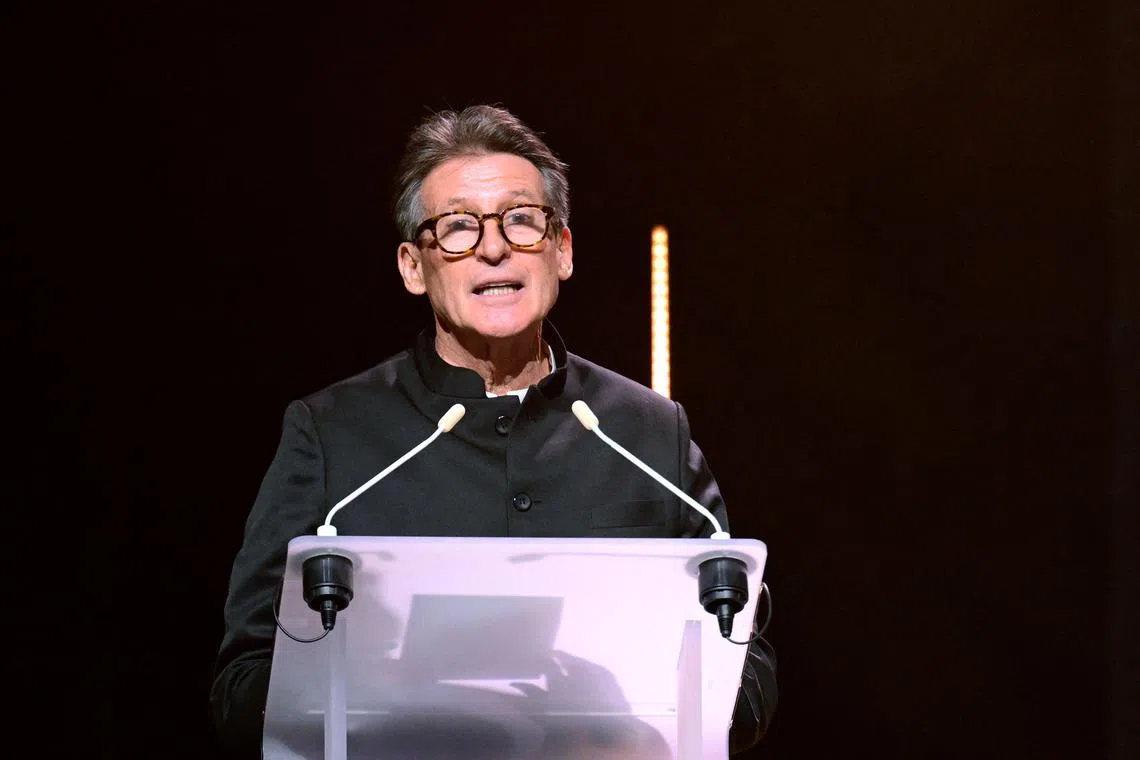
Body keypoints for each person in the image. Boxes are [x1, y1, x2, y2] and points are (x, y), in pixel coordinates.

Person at [210, 104, 777, 757]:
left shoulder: (647, 432)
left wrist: (640, 707)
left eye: (520, 219)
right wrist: (387, 691)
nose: (492, 245)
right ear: (412, 267)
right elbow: (241, 686)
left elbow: (748, 667)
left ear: (561, 250)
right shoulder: (331, 434)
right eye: (456, 227)